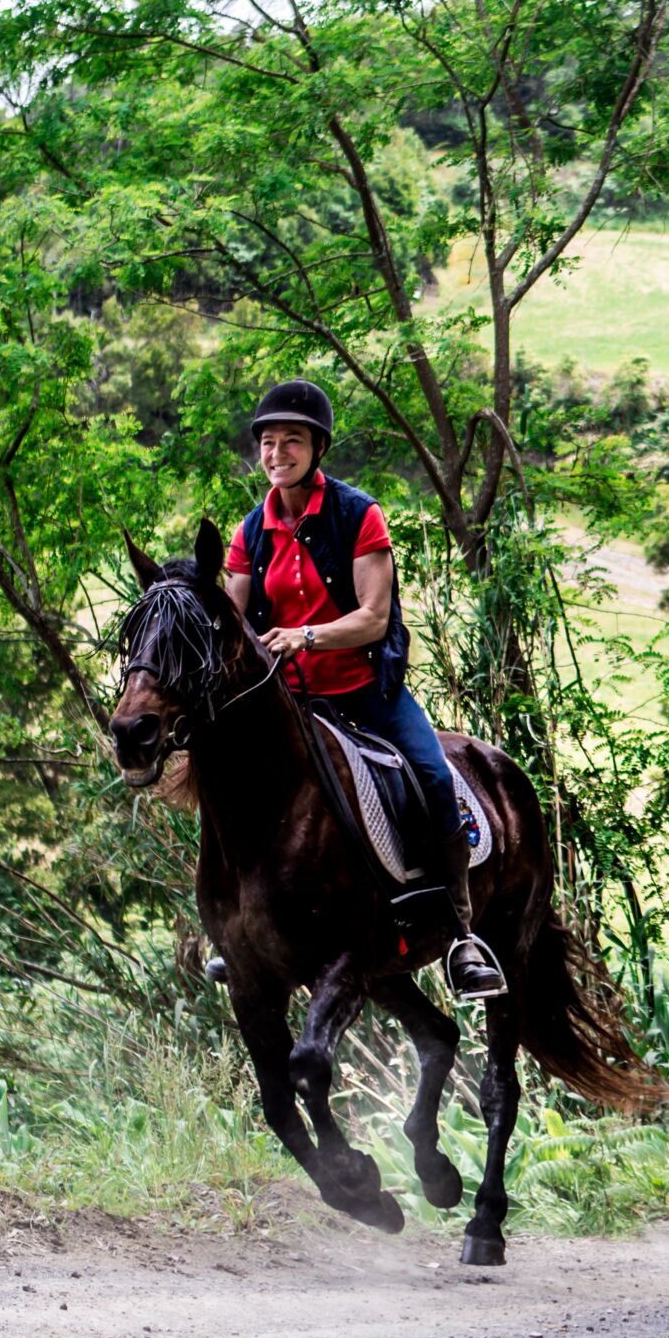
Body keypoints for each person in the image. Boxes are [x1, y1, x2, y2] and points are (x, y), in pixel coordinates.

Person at [221, 379, 506, 1001]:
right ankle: (238, 929)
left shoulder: (357, 513)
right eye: (267, 443)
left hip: (363, 692)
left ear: (317, 447)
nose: (276, 454)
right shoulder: (250, 531)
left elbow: (374, 617)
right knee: (231, 781)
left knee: (432, 774)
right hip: (291, 705)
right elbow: (235, 622)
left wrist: (305, 636)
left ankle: (460, 934)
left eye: (290, 441)